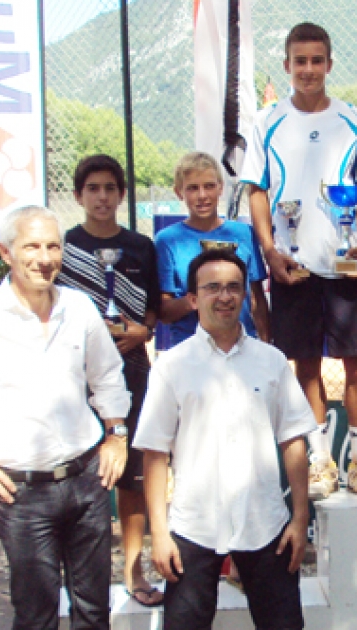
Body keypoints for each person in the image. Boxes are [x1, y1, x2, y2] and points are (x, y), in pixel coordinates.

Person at [0, 206, 130, 629]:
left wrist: (117, 434)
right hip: (20, 493)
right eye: (31, 246)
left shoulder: (79, 307)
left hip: (87, 481)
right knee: (36, 616)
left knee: (93, 612)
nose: (45, 258)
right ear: (6, 252)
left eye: (53, 246)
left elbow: (106, 374)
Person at [241, 23, 357, 502]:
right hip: (293, 266)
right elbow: (257, 190)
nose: (308, 70)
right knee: (306, 366)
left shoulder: (354, 120)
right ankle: (321, 461)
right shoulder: (267, 122)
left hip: (342, 262)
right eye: (299, 61)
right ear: (287, 66)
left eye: (316, 60)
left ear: (329, 64)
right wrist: (269, 248)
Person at [135, 248, 316, 630]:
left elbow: (293, 441)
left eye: (234, 287)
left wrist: (300, 519)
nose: (225, 296)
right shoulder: (171, 366)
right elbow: (154, 455)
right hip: (192, 526)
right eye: (212, 287)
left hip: (266, 524)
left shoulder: (272, 362)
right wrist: (160, 534)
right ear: (193, 297)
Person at [56, 154, 164, 606]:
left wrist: (146, 330)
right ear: (79, 195)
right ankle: (79, 575)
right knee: (79, 475)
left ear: (121, 195)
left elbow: (154, 306)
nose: (101, 197)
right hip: (77, 374)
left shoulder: (141, 246)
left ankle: (134, 569)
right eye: (92, 189)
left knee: (133, 477)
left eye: (109, 189)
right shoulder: (63, 246)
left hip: (132, 367)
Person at [156, 151, 270, 346]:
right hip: (190, 346)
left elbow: (256, 298)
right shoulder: (168, 240)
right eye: (192, 188)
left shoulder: (243, 234)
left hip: (241, 345)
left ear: (220, 188)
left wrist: (266, 345)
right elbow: (164, 312)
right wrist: (199, 298)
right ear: (179, 192)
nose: (202, 196)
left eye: (209, 186)